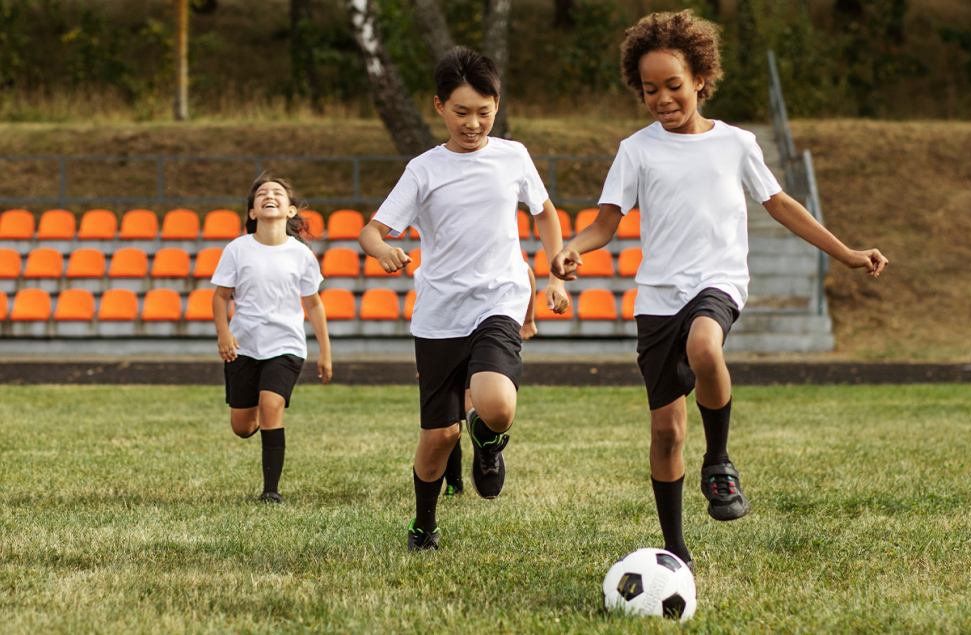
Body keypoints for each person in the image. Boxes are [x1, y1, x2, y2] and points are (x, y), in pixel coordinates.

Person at [551, 11, 888, 568]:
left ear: (701, 78)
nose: (662, 98)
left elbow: (781, 205)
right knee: (665, 434)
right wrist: (573, 247)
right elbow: (606, 222)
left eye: (673, 85)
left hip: (718, 282)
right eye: (649, 89)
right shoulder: (636, 150)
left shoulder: (737, 144)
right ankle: (675, 549)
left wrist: (846, 253)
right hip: (658, 297)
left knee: (705, 346)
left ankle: (721, 463)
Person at [359, 46, 570, 551]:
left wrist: (555, 267)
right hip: (438, 313)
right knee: (439, 436)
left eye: (484, 111)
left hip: (499, 296)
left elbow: (544, 213)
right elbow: (371, 231)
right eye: (461, 112)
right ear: (438, 107)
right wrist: (384, 249)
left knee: (497, 406)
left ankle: (490, 441)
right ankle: (424, 525)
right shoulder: (423, 170)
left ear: (497, 104)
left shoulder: (514, 156)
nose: (473, 123)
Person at [211, 175, 333, 504]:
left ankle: (270, 491)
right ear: (252, 212)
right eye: (262, 194)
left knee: (271, 405)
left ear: (290, 210)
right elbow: (221, 297)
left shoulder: (302, 255)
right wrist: (224, 333)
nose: (269, 196)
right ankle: (258, 421)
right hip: (245, 346)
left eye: (277, 193)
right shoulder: (237, 249)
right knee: (242, 425)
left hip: (286, 345)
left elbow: (313, 304)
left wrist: (325, 352)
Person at [443, 264, 537, 498]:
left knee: (472, 400)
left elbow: (525, 271)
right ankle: (453, 484)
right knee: (445, 416)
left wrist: (528, 319)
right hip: (450, 327)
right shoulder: (445, 251)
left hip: (491, 325)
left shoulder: (496, 242)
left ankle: (485, 443)